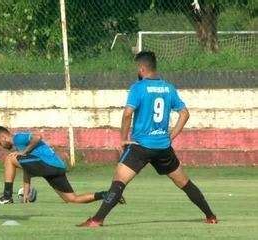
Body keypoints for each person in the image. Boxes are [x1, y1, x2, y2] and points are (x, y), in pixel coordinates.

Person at [78, 51, 217, 228]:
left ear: (142, 68)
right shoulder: (168, 88)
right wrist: (171, 135)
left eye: (137, 67)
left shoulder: (138, 87)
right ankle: (210, 216)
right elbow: (185, 113)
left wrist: (123, 139)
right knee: (185, 183)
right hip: (163, 147)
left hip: (140, 146)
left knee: (118, 182)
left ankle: (97, 220)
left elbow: (128, 114)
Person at [0, 126, 126, 205]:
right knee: (72, 200)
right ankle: (107, 194)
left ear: (3, 137)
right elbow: (27, 167)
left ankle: (7, 196)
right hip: (57, 167)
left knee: (9, 158)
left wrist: (23, 152)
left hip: (47, 165)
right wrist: (26, 190)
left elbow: (37, 137)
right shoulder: (19, 147)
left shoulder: (18, 138)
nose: (1, 146)